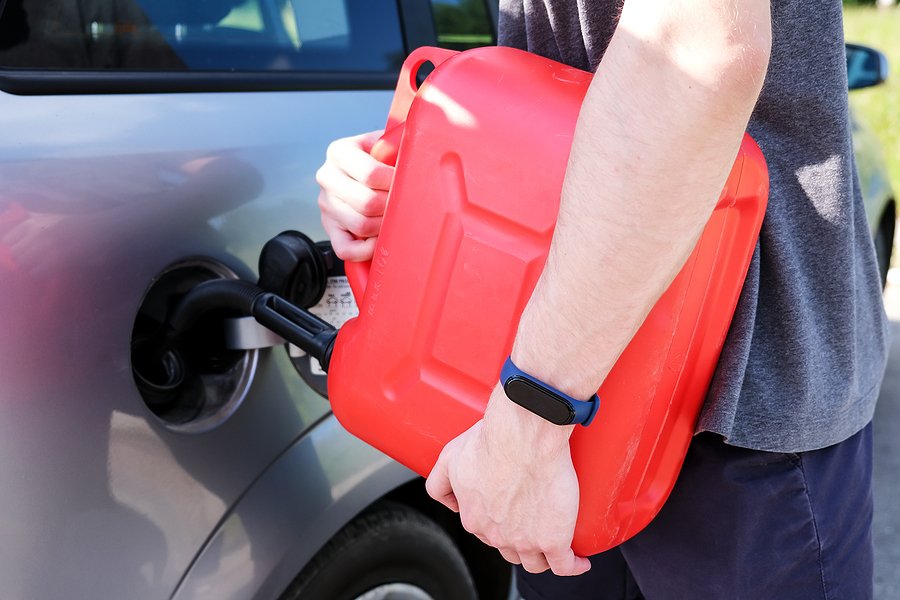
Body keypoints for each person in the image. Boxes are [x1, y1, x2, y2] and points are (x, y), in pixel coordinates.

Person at [315, 0, 890, 597]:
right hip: (549, 398)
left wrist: (532, 414)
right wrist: (404, 165)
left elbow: (692, 52)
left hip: (721, 406)